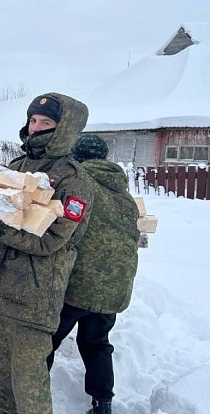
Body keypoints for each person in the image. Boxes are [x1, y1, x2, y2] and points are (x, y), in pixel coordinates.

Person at [0, 93, 94, 414]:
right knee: (4, 387)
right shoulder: (14, 168)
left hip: (33, 299)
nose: (36, 128)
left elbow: (50, 241)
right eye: (33, 121)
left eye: (46, 123)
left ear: (65, 128)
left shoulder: (75, 181)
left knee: (29, 391)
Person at [47, 134, 140, 414]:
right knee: (97, 343)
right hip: (113, 287)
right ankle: (103, 404)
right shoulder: (122, 192)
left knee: (45, 341)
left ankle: (32, 397)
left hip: (76, 285)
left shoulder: (79, 185)